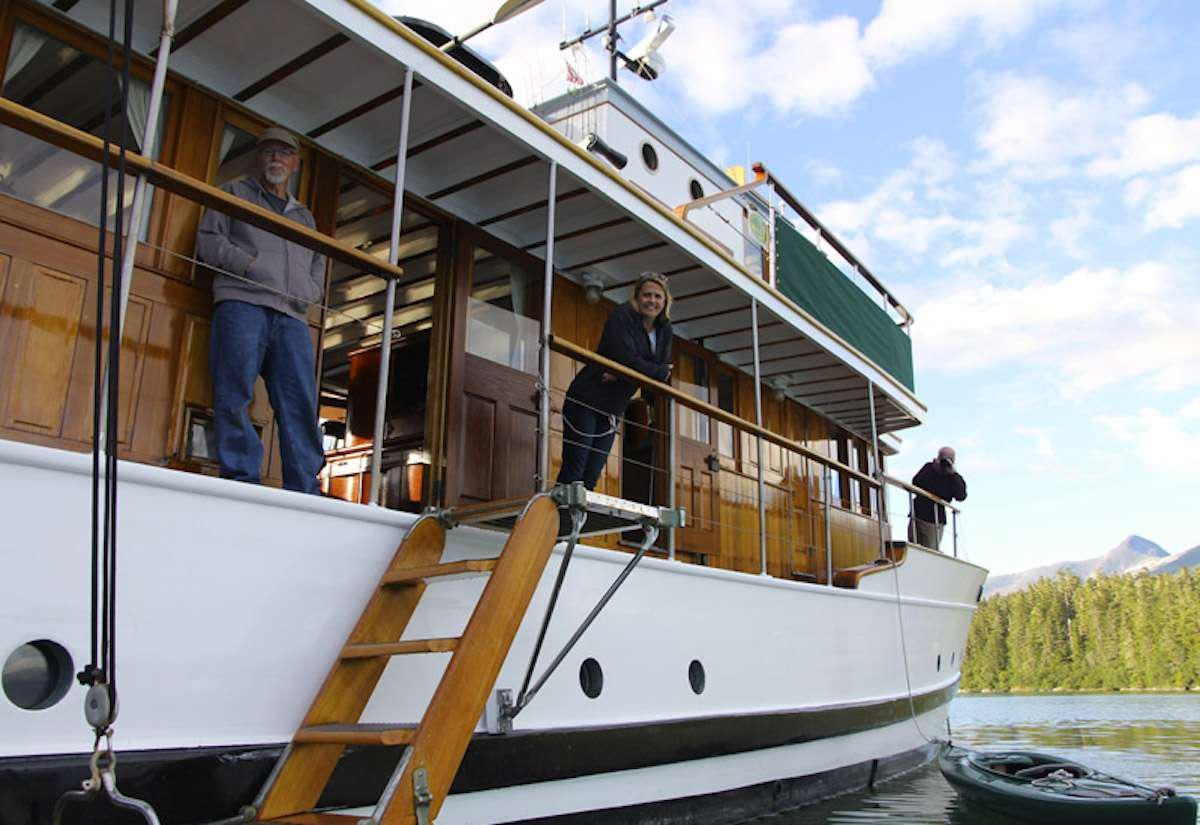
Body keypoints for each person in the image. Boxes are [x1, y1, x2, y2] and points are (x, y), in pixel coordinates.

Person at [196, 127, 326, 494]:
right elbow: (209, 240)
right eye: (269, 152)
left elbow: (318, 261)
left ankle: (305, 487)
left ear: (295, 164)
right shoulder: (234, 194)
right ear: (259, 159)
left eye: (284, 153)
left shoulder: (305, 217)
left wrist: (310, 291)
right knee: (234, 391)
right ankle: (240, 479)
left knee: (299, 402)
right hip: (243, 303)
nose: (275, 159)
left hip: (293, 317)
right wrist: (249, 266)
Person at [557, 272, 673, 490]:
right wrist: (650, 370)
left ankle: (574, 524)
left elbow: (662, 373)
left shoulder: (665, 329)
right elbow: (625, 358)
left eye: (658, 297)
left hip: (613, 408)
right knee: (574, 473)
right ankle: (551, 522)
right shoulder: (622, 316)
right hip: (586, 399)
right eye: (647, 295)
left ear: (665, 301)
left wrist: (624, 373)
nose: (652, 301)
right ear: (637, 297)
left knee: (591, 477)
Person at [909, 446, 967, 550]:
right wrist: (933, 468)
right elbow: (916, 482)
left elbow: (961, 496)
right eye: (943, 458)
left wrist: (952, 474)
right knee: (913, 547)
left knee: (930, 549)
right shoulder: (929, 468)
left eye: (948, 459)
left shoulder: (954, 477)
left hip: (935, 519)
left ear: (953, 461)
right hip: (918, 514)